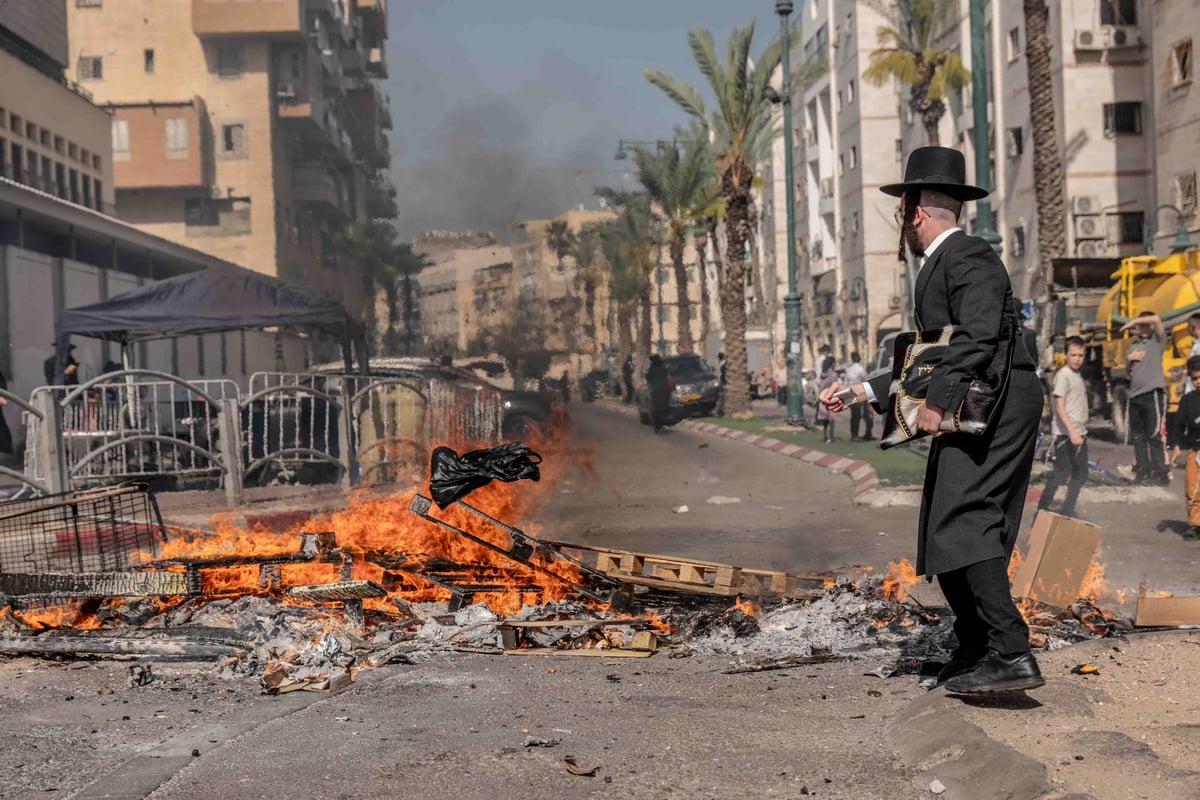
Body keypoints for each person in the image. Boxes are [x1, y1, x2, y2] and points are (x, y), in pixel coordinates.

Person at [820, 146, 1044, 694]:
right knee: (944, 528)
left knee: (968, 520)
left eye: (903, 213)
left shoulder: (968, 255)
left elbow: (978, 334)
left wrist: (939, 403)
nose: (904, 225)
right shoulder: (945, 262)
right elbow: (931, 353)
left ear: (915, 211)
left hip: (996, 404)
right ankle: (973, 646)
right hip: (973, 405)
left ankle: (1010, 651)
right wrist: (861, 391)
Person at [1038, 336, 1089, 518]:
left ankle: (1068, 510)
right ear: (1065, 355)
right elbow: (1059, 407)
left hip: (1079, 433)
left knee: (1081, 473)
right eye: (1073, 355)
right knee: (1061, 473)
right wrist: (1072, 432)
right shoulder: (1064, 375)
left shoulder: (1077, 376)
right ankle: (1042, 509)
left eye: (1080, 355)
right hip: (1066, 434)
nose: (1077, 359)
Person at [1120, 311, 1169, 486]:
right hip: (1135, 396)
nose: (1144, 328)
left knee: (1154, 435)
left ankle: (1160, 474)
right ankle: (1142, 472)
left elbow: (1156, 318)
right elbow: (1128, 372)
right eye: (1142, 325)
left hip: (1152, 395)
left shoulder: (1157, 342)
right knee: (1138, 437)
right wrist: (1129, 359)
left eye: (1146, 324)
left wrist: (1133, 321)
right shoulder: (1134, 346)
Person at [1170, 355, 1200, 541]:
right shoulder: (1188, 400)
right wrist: (1177, 447)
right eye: (1195, 378)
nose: (1198, 382)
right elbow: (1179, 425)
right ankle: (1196, 525)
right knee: (1192, 487)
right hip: (1195, 449)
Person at [842, 351, 873, 441]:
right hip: (860, 393)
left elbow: (845, 383)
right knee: (864, 415)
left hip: (850, 393)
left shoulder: (849, 369)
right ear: (859, 358)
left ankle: (854, 434)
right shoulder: (860, 369)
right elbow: (866, 381)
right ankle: (866, 434)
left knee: (855, 415)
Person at [644, 354, 672, 434]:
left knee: (656, 409)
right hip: (665, 390)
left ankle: (658, 427)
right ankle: (663, 425)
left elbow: (648, 378)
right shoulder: (663, 368)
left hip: (656, 390)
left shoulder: (652, 369)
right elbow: (667, 376)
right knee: (663, 408)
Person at [815, 358, 838, 443]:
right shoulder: (833, 375)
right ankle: (831, 436)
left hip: (822, 398)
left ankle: (825, 436)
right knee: (831, 419)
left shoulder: (822, 375)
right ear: (832, 364)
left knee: (824, 419)